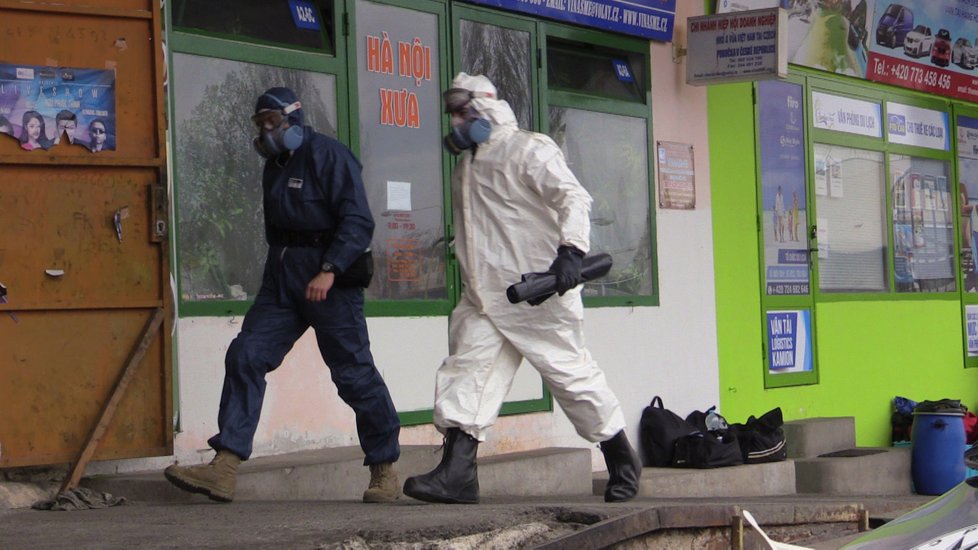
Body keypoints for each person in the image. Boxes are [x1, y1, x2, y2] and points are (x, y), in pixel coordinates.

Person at [402, 73, 641, 505]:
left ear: (486, 107)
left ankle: (621, 458)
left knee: (571, 378)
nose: (456, 122)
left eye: (463, 112)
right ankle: (457, 475)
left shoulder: (529, 149)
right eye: (453, 114)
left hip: (539, 294)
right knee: (466, 372)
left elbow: (573, 198)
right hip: (485, 297)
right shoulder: (466, 166)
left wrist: (570, 252)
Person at [163, 87, 402, 504]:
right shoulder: (273, 166)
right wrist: (280, 275)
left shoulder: (330, 156)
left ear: (293, 119)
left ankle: (384, 469)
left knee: (353, 374)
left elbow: (358, 220)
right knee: (246, 355)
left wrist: (329, 269)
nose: (265, 131)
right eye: (260, 124)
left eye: (271, 122)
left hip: (330, 284)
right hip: (282, 282)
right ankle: (225, 465)